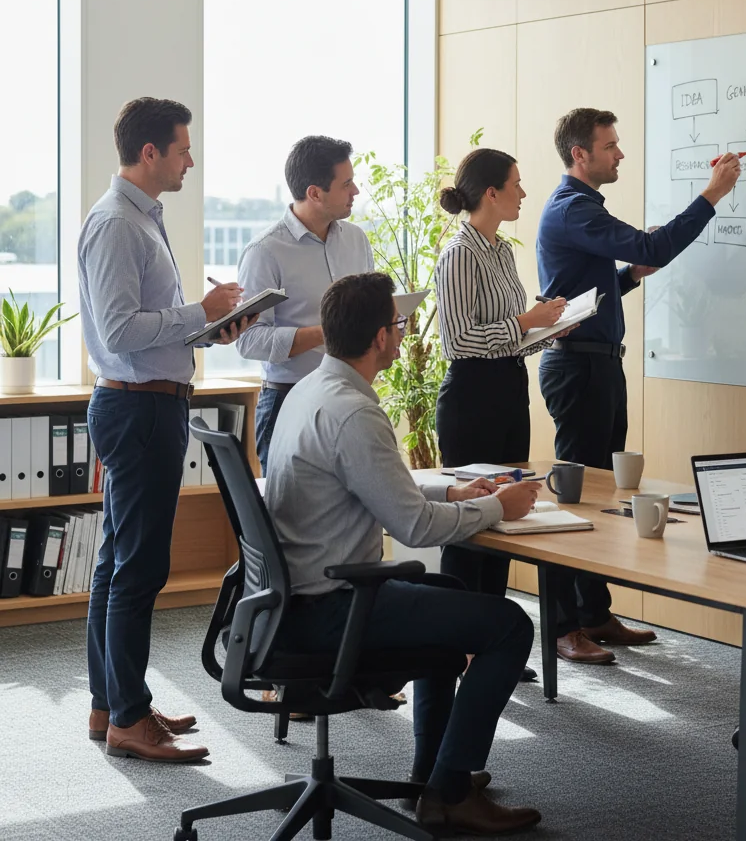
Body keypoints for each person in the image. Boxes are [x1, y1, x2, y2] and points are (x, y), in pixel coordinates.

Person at [264, 272, 544, 835]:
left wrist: (455, 491)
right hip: (332, 609)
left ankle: (432, 775)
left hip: (291, 602)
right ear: (379, 339)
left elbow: (375, 483)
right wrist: (500, 508)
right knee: (510, 626)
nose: (402, 332)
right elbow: (414, 527)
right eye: (397, 324)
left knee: (453, 599)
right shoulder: (354, 412)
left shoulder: (312, 390)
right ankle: (452, 788)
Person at [79, 97, 252, 762]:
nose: (189, 159)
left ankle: (112, 706)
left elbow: (143, 323)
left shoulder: (140, 219)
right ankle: (127, 717)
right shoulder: (117, 224)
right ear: (149, 153)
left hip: (150, 402)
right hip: (139, 408)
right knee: (139, 569)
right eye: (182, 148)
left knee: (118, 562)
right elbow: (122, 330)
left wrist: (210, 324)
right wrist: (196, 313)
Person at [536, 107, 741, 664]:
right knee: (575, 500)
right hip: (578, 368)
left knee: (600, 497)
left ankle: (593, 615)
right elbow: (651, 246)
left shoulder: (581, 211)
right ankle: (560, 627)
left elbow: (592, 292)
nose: (620, 153)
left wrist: (628, 276)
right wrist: (712, 194)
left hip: (596, 363)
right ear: (581, 154)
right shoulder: (572, 209)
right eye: (610, 146)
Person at [434, 148, 568, 683]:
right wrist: (524, 321)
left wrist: (547, 330)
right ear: (490, 192)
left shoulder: (502, 252)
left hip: (510, 391)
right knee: (471, 527)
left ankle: (489, 647)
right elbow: (461, 340)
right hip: (471, 399)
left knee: (505, 519)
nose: (523, 192)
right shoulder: (459, 252)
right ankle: (459, 648)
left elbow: (507, 339)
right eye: (516, 183)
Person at [236, 135, 373, 475]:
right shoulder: (265, 252)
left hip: (351, 398)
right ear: (314, 192)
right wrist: (329, 332)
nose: (355, 191)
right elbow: (249, 340)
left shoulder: (356, 240)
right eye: (346, 184)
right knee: (290, 520)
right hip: (287, 402)